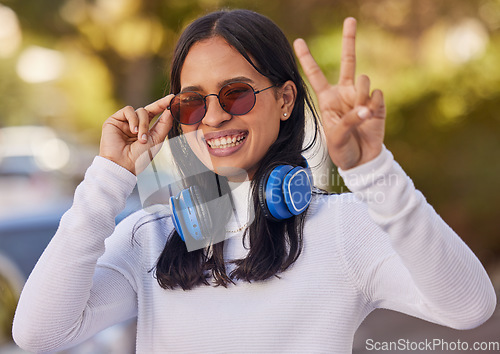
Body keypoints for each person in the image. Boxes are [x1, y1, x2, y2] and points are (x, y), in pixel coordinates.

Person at [13, 9, 496, 353]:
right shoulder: (150, 237)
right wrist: (108, 179)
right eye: (193, 102)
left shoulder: (345, 228)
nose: (214, 117)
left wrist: (374, 171)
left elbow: (469, 308)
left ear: (286, 100)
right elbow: (38, 333)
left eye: (237, 94)